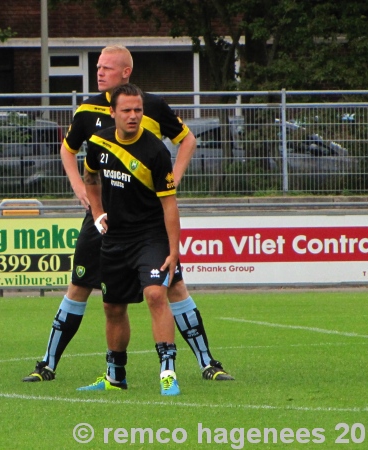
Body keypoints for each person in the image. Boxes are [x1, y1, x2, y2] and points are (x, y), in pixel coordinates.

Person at [23, 45, 233, 383]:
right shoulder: (88, 109)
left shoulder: (149, 107)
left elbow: (187, 140)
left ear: (126, 73)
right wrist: (80, 188)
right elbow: (68, 150)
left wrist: (173, 179)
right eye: (98, 67)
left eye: (107, 67)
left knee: (171, 288)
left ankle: (208, 363)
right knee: (79, 284)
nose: (99, 72)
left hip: (145, 219)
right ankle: (47, 364)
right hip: (103, 218)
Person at [77, 83, 180, 394]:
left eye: (138, 110)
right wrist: (96, 212)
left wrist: (174, 251)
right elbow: (90, 176)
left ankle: (168, 372)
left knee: (154, 295)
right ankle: (115, 377)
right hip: (115, 238)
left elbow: (169, 204)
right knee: (113, 307)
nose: (134, 116)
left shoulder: (156, 151)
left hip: (150, 235)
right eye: (127, 110)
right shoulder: (98, 143)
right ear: (113, 113)